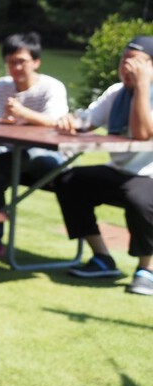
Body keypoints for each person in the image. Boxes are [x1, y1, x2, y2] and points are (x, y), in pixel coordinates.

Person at [53, 36, 153, 293]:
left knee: (139, 199)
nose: (126, 66)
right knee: (69, 180)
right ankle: (102, 258)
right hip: (119, 171)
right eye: (123, 59)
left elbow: (143, 133)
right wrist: (70, 121)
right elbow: (86, 121)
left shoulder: (145, 91)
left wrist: (143, 86)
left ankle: (147, 269)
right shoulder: (116, 92)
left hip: (149, 176)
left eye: (135, 62)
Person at [0, 31, 68, 259]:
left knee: (30, 156)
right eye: (11, 62)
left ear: (36, 62)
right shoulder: (1, 86)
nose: (16, 67)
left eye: (21, 62)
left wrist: (23, 113)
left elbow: (56, 122)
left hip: (46, 159)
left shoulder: (51, 87)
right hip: (9, 156)